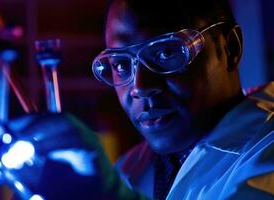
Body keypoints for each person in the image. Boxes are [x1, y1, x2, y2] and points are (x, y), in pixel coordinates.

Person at [91, 0, 274, 199]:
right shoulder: (129, 168)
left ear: (229, 48)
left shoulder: (267, 149)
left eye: (165, 53)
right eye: (121, 64)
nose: (140, 87)